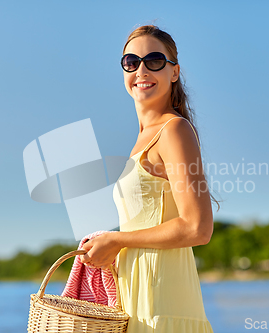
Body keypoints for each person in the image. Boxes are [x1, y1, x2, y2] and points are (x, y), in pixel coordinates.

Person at [80, 24, 219, 333]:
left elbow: (198, 227)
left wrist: (116, 240)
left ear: (174, 72)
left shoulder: (174, 131)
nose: (141, 70)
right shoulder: (142, 141)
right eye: (131, 62)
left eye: (154, 60)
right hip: (137, 302)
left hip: (163, 304)